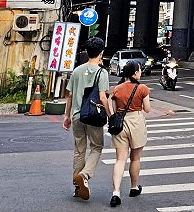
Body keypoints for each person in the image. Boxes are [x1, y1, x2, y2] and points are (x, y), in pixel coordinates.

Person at [63, 36, 110, 201]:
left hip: (77, 115)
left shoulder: (77, 70)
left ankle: (77, 188)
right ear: (101, 53)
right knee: (97, 147)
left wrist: (66, 116)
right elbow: (103, 98)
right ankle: (84, 175)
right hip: (93, 116)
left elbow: (70, 95)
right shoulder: (101, 72)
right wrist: (111, 115)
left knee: (79, 151)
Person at [108, 60, 152, 207]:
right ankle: (134, 187)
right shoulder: (142, 88)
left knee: (120, 159)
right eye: (139, 70)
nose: (140, 72)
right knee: (135, 157)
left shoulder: (117, 89)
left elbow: (114, 110)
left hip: (120, 124)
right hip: (136, 122)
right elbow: (147, 109)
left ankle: (115, 193)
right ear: (134, 73)